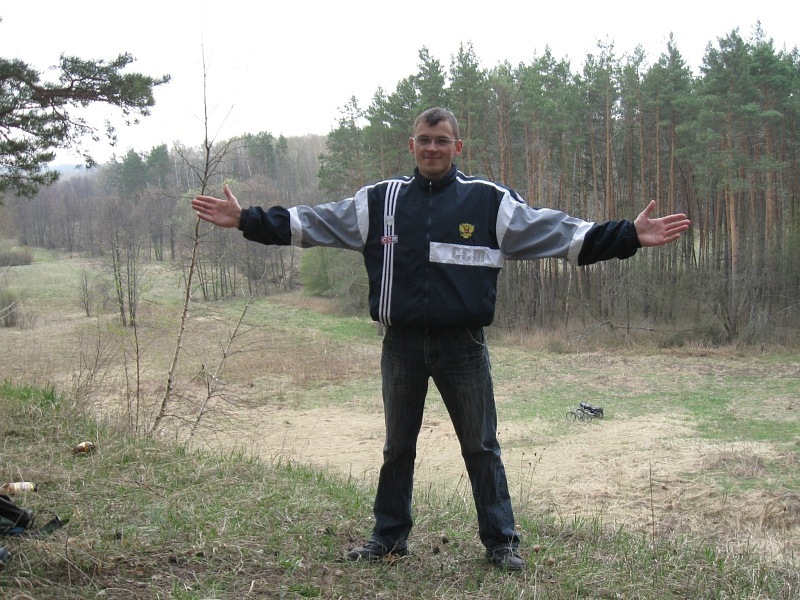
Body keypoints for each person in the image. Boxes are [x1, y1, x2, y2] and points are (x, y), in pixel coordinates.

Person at [191, 107, 690, 571]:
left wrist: (628, 235)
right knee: (397, 448)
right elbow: (311, 222)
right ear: (412, 145)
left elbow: (561, 233)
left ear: (458, 147)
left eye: (442, 141)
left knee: (481, 446)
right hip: (401, 345)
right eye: (425, 140)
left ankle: (502, 543)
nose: (433, 148)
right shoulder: (378, 202)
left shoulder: (489, 202)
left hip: (463, 347)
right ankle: (388, 539)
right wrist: (246, 219)